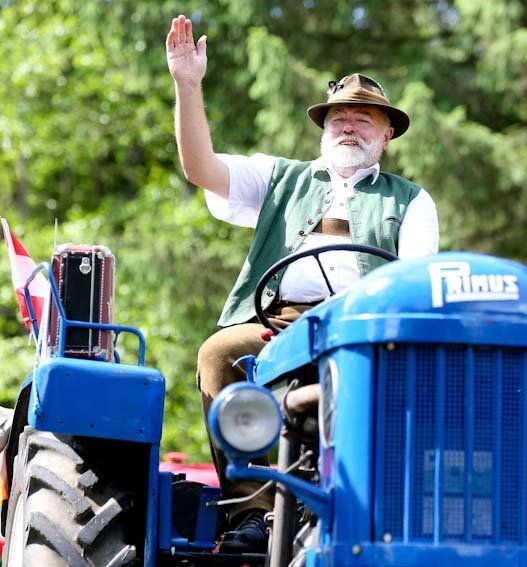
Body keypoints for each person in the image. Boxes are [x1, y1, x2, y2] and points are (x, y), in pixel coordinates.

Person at [166, 15, 439, 553]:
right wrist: (187, 84)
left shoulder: (411, 200)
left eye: (363, 119)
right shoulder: (279, 178)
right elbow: (200, 168)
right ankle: (253, 512)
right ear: (323, 130)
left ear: (386, 135)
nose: (348, 127)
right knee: (218, 353)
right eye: (338, 118)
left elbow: (414, 284)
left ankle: (382, 510)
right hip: (280, 325)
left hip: (364, 330)